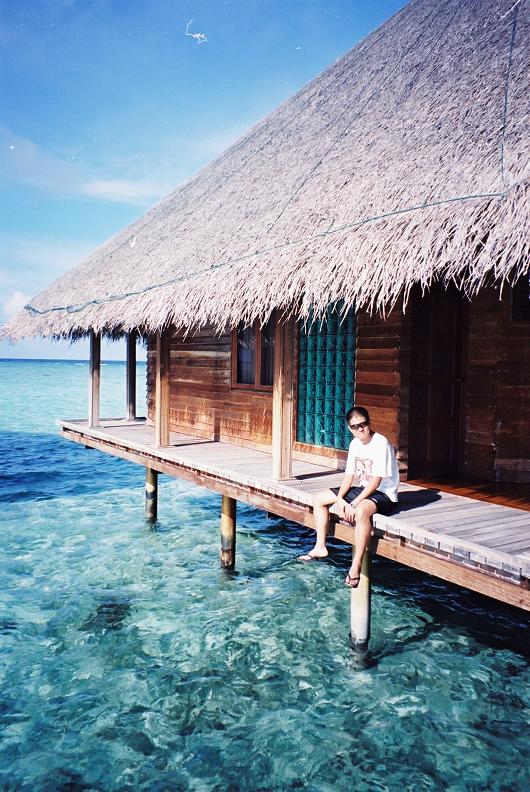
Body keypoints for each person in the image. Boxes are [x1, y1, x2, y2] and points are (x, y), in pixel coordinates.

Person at [298, 406, 399, 588]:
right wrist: (340, 499)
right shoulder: (354, 444)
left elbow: (376, 481)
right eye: (355, 426)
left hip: (384, 494)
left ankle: (356, 565)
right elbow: (348, 476)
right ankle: (320, 546)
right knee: (318, 499)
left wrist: (353, 503)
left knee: (360, 512)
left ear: (369, 423)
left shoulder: (380, 443)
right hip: (363, 488)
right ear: (349, 428)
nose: (360, 429)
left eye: (363, 424)